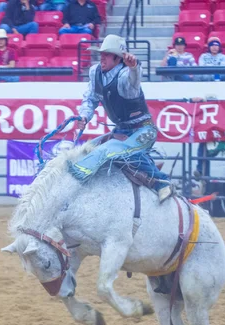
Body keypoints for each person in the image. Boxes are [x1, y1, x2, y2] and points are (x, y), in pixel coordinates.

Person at [71, 34, 172, 203]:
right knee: (89, 149)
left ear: (117, 59)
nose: (101, 57)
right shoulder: (96, 72)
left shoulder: (125, 76)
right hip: (121, 131)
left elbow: (134, 81)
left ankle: (161, 182)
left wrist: (134, 68)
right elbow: (90, 98)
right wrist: (84, 116)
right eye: (101, 54)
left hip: (143, 130)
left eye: (106, 54)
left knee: (113, 151)